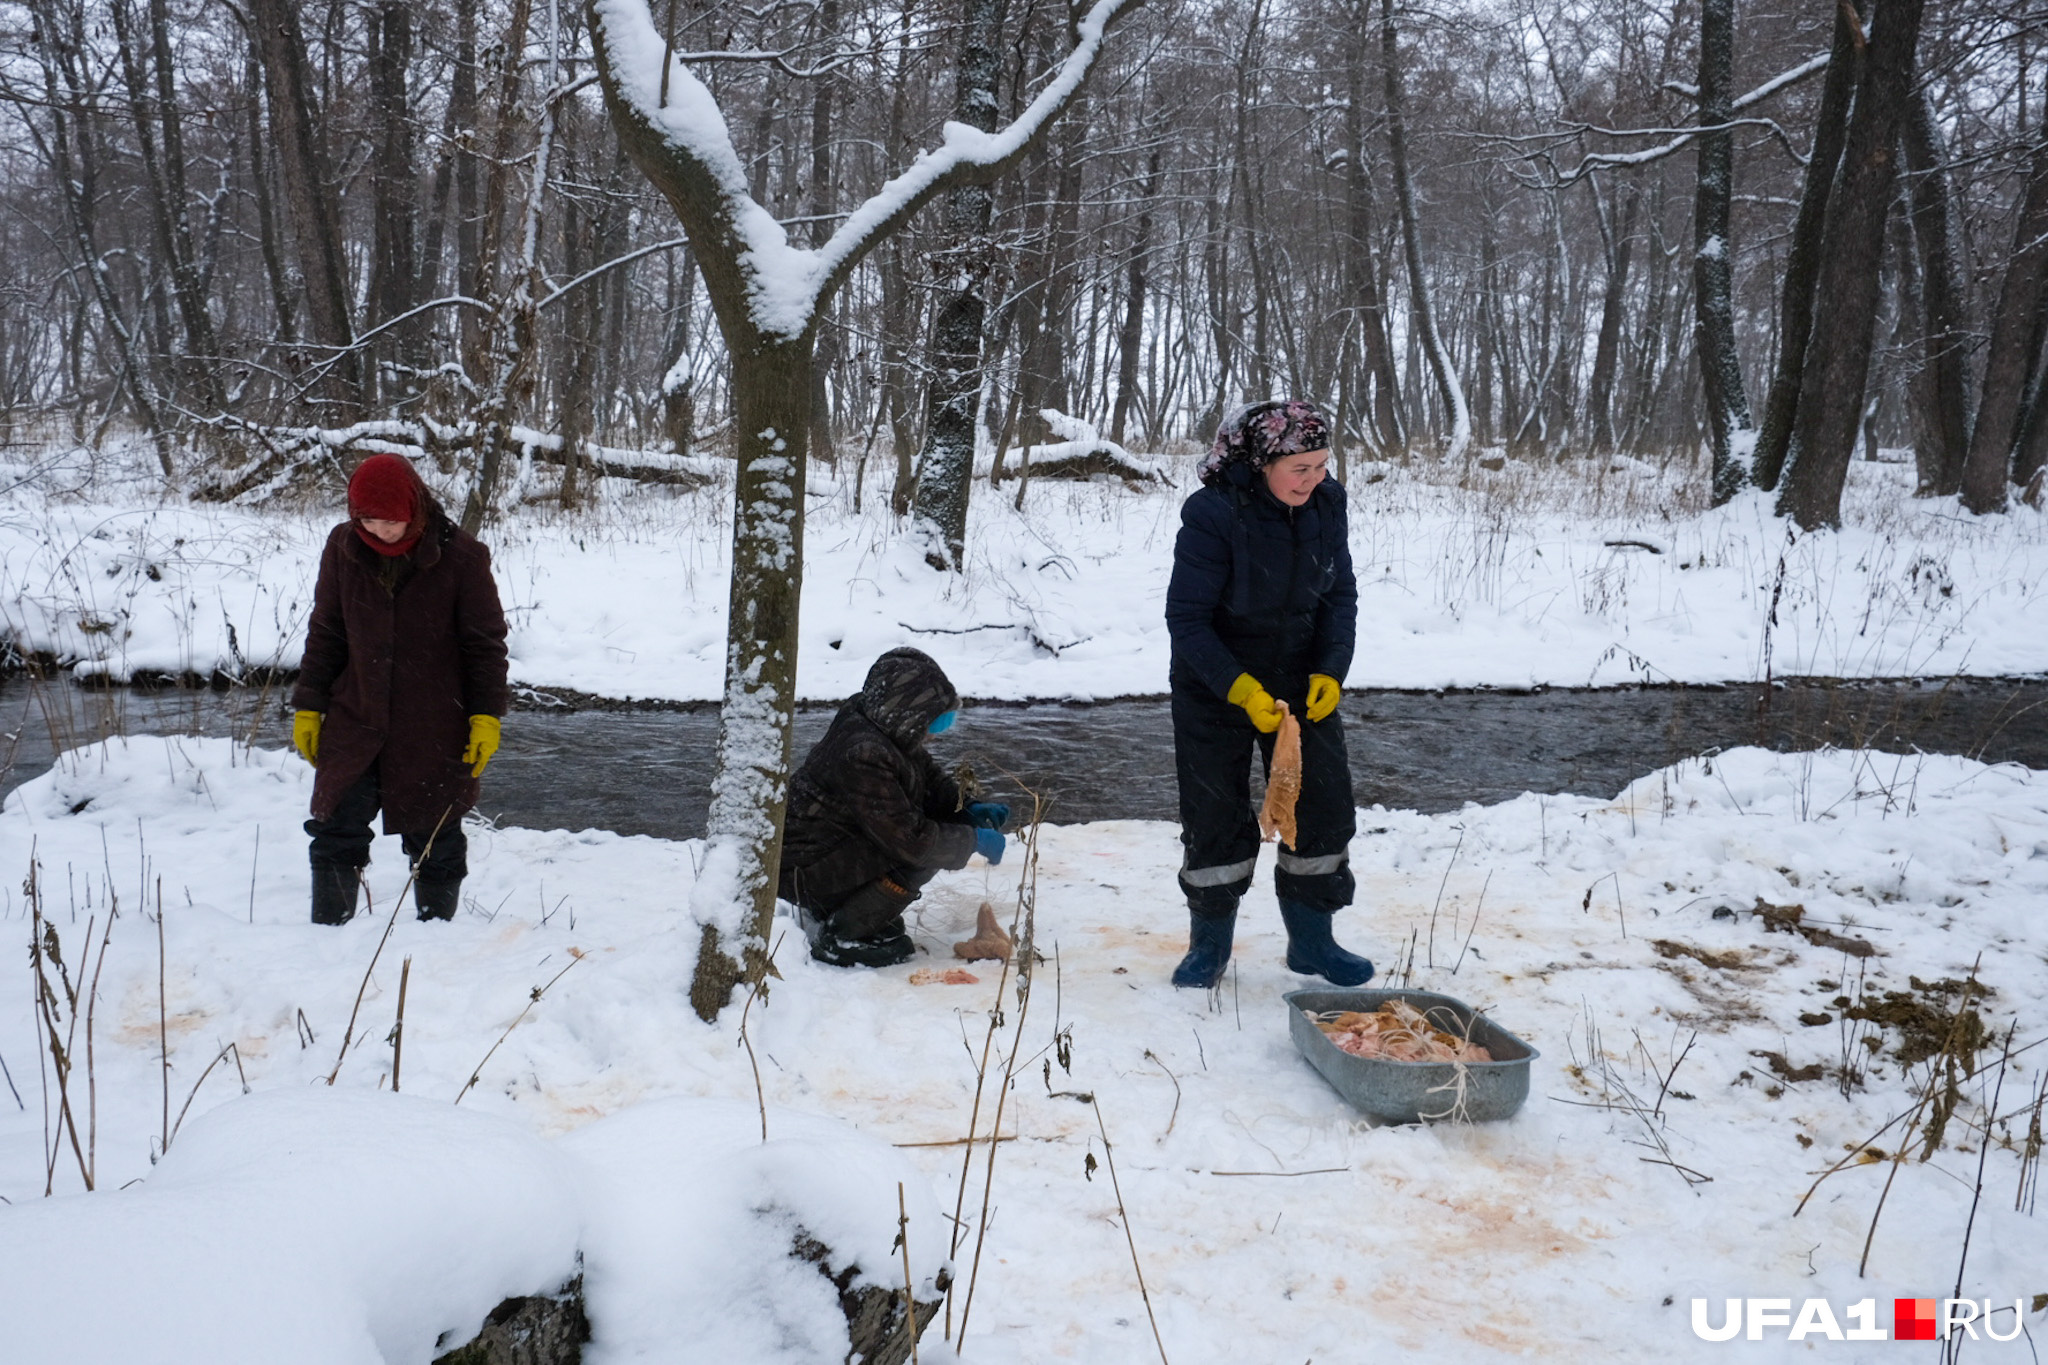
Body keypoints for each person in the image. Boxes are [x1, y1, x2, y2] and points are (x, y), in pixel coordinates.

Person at [1163, 399, 1374, 989]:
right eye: (1299, 469)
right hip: (1216, 683)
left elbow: (1340, 597)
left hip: (1301, 682)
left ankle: (1312, 944)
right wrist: (1240, 689)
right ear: (1261, 463)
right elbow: (1187, 619)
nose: (1314, 480)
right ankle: (1209, 948)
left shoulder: (1327, 503)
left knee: (1323, 811)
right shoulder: (1213, 514)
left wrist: (1332, 670)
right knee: (1215, 818)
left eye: (1322, 465)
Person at [290, 453, 510, 924]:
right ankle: (327, 935)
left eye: (390, 520)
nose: (379, 530)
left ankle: (436, 937)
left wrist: (486, 715)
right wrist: (309, 705)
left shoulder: (463, 557)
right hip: (356, 715)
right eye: (366, 518)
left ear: (414, 508)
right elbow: (326, 630)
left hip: (434, 723)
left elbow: (484, 646)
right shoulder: (343, 546)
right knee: (335, 828)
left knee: (434, 837)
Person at [779, 648, 1008, 967]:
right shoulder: (864, 753)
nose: (934, 736)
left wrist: (968, 807)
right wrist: (973, 840)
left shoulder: (880, 724)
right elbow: (911, 840)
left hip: (818, 856)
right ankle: (844, 936)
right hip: (803, 874)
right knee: (921, 850)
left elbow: (926, 779)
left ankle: (857, 912)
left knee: (930, 832)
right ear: (910, 716)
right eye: (935, 724)